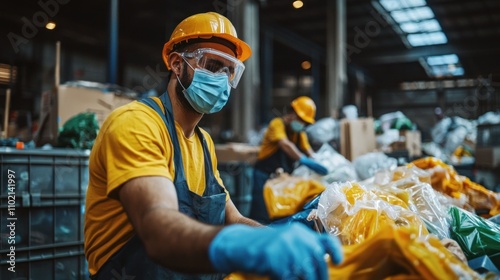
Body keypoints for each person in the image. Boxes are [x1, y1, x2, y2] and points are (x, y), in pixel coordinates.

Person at [83, 12, 342, 280]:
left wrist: (275, 237)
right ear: (176, 63)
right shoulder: (137, 123)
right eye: (212, 65)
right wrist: (242, 247)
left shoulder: (204, 142)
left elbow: (234, 218)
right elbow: (157, 229)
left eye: (230, 71)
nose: (222, 79)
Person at [249, 96, 329, 223]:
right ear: (292, 113)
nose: (302, 124)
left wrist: (316, 160)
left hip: (280, 179)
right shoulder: (277, 124)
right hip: (264, 175)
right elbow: (285, 144)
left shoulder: (299, 133)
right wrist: (303, 160)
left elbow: (308, 149)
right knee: (261, 213)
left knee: (280, 212)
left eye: (304, 122)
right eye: (300, 119)